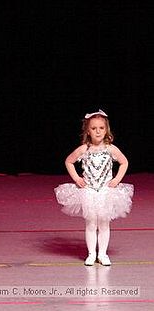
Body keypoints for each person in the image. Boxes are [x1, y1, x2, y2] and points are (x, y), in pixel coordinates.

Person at [54, 109, 133, 266]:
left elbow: (124, 162)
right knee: (90, 223)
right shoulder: (84, 149)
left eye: (101, 128)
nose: (98, 131)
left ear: (106, 130)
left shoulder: (111, 149)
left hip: (106, 191)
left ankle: (102, 254)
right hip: (89, 191)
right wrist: (76, 178)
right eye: (94, 128)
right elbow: (69, 161)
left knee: (104, 223)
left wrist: (117, 179)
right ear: (88, 131)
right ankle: (91, 254)